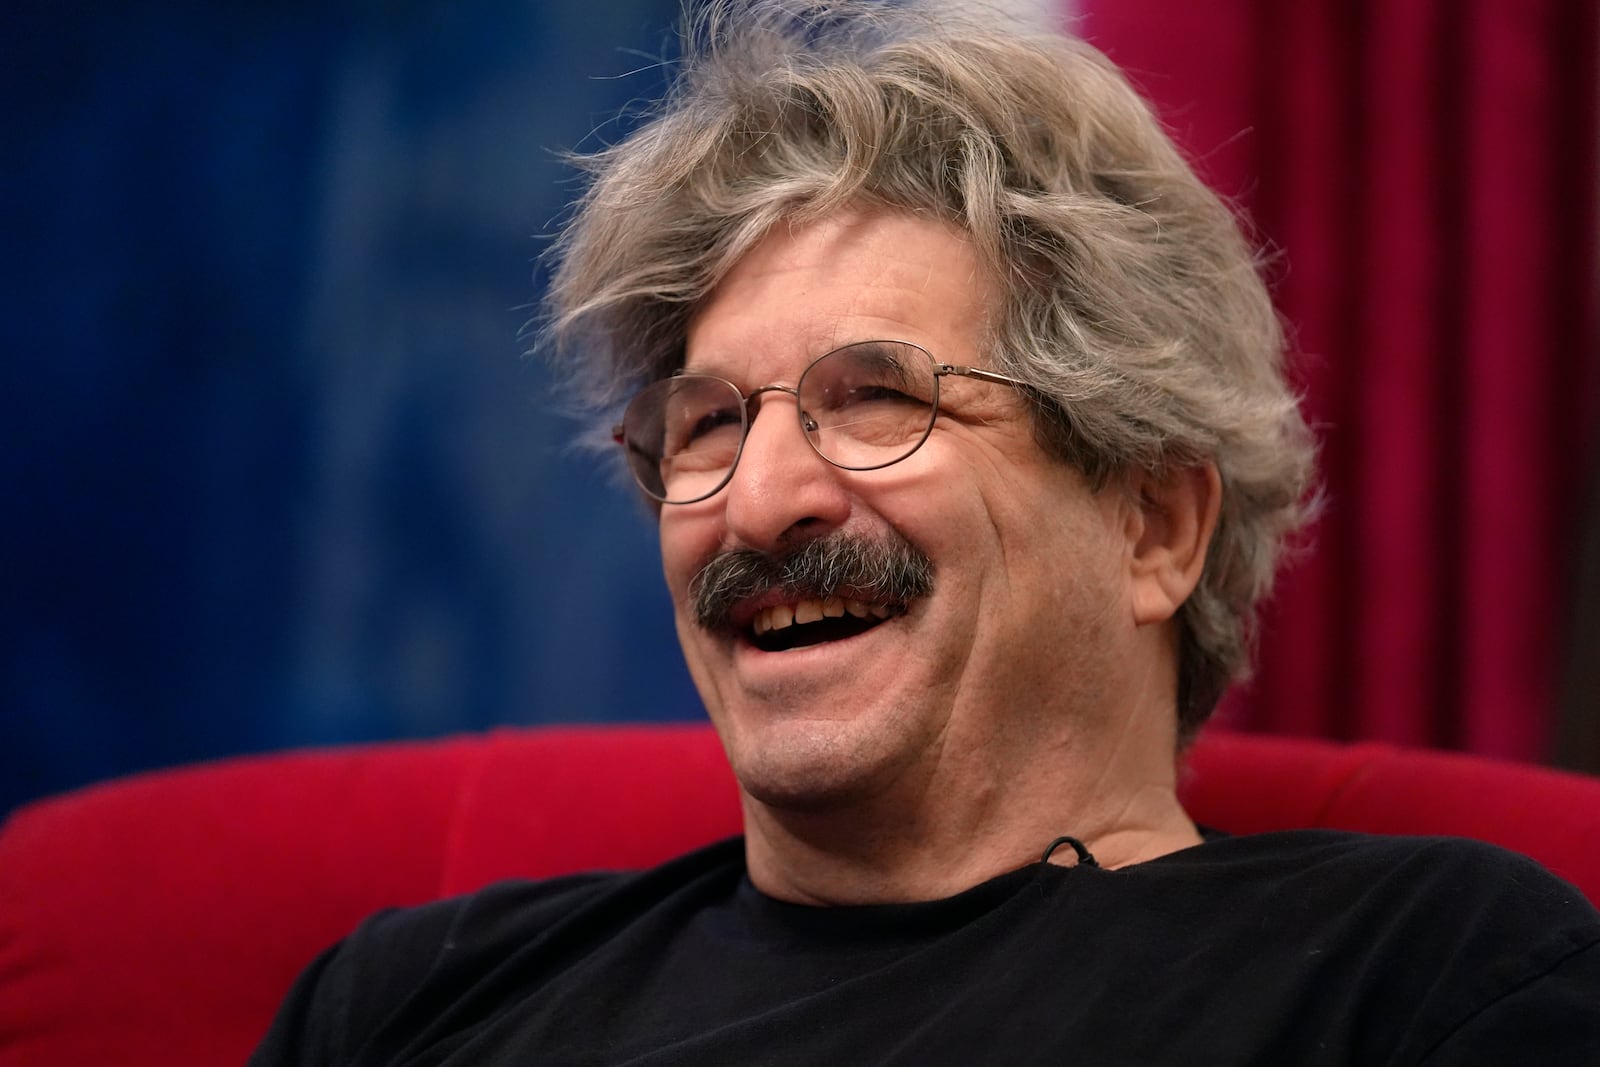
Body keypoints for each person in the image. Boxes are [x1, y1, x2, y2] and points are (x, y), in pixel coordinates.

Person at [251, 1, 1600, 1062]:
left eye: (877, 397)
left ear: (1155, 527)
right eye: (709, 424)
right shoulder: (408, 1003)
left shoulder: (1430, 978)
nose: (761, 501)